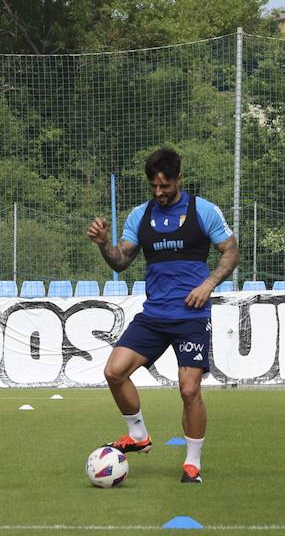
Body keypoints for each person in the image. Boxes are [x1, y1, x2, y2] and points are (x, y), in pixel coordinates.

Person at [86, 147, 239, 483]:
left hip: (191, 317)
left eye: (165, 186)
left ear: (178, 179)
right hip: (154, 316)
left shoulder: (204, 211)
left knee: (188, 390)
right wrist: (103, 244)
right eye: (153, 187)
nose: (159, 193)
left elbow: (231, 250)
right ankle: (138, 436)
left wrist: (209, 284)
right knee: (114, 371)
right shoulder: (140, 216)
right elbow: (121, 261)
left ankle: (192, 463)